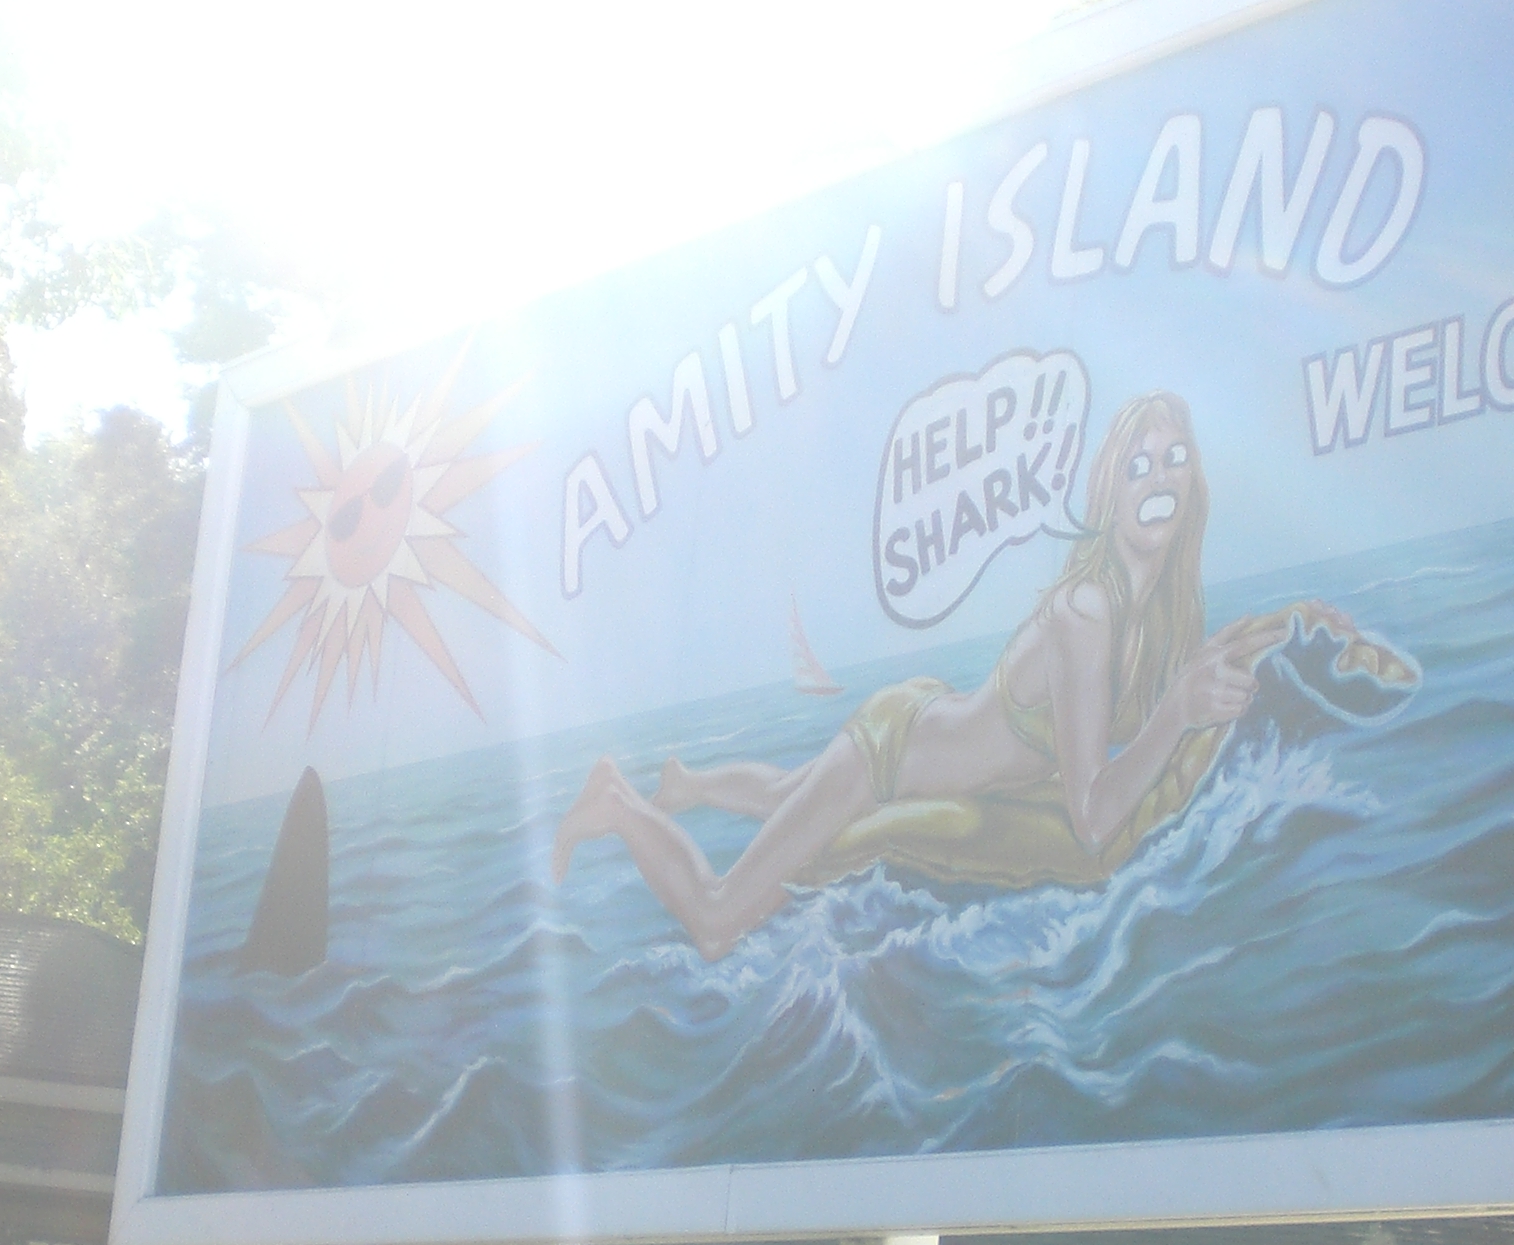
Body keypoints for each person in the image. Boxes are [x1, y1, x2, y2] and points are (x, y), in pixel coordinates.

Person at [551, 392, 1311, 959]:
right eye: (1138, 466)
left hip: (931, 720)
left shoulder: (1155, 612)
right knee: (720, 920)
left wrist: (1288, 629)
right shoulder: (1087, 613)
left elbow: (1170, 691)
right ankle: (618, 802)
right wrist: (1177, 714)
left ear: (1195, 479)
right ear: (1109, 492)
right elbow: (1092, 819)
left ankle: (688, 783)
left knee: (788, 796)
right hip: (889, 755)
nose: (1159, 479)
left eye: (1175, 459)